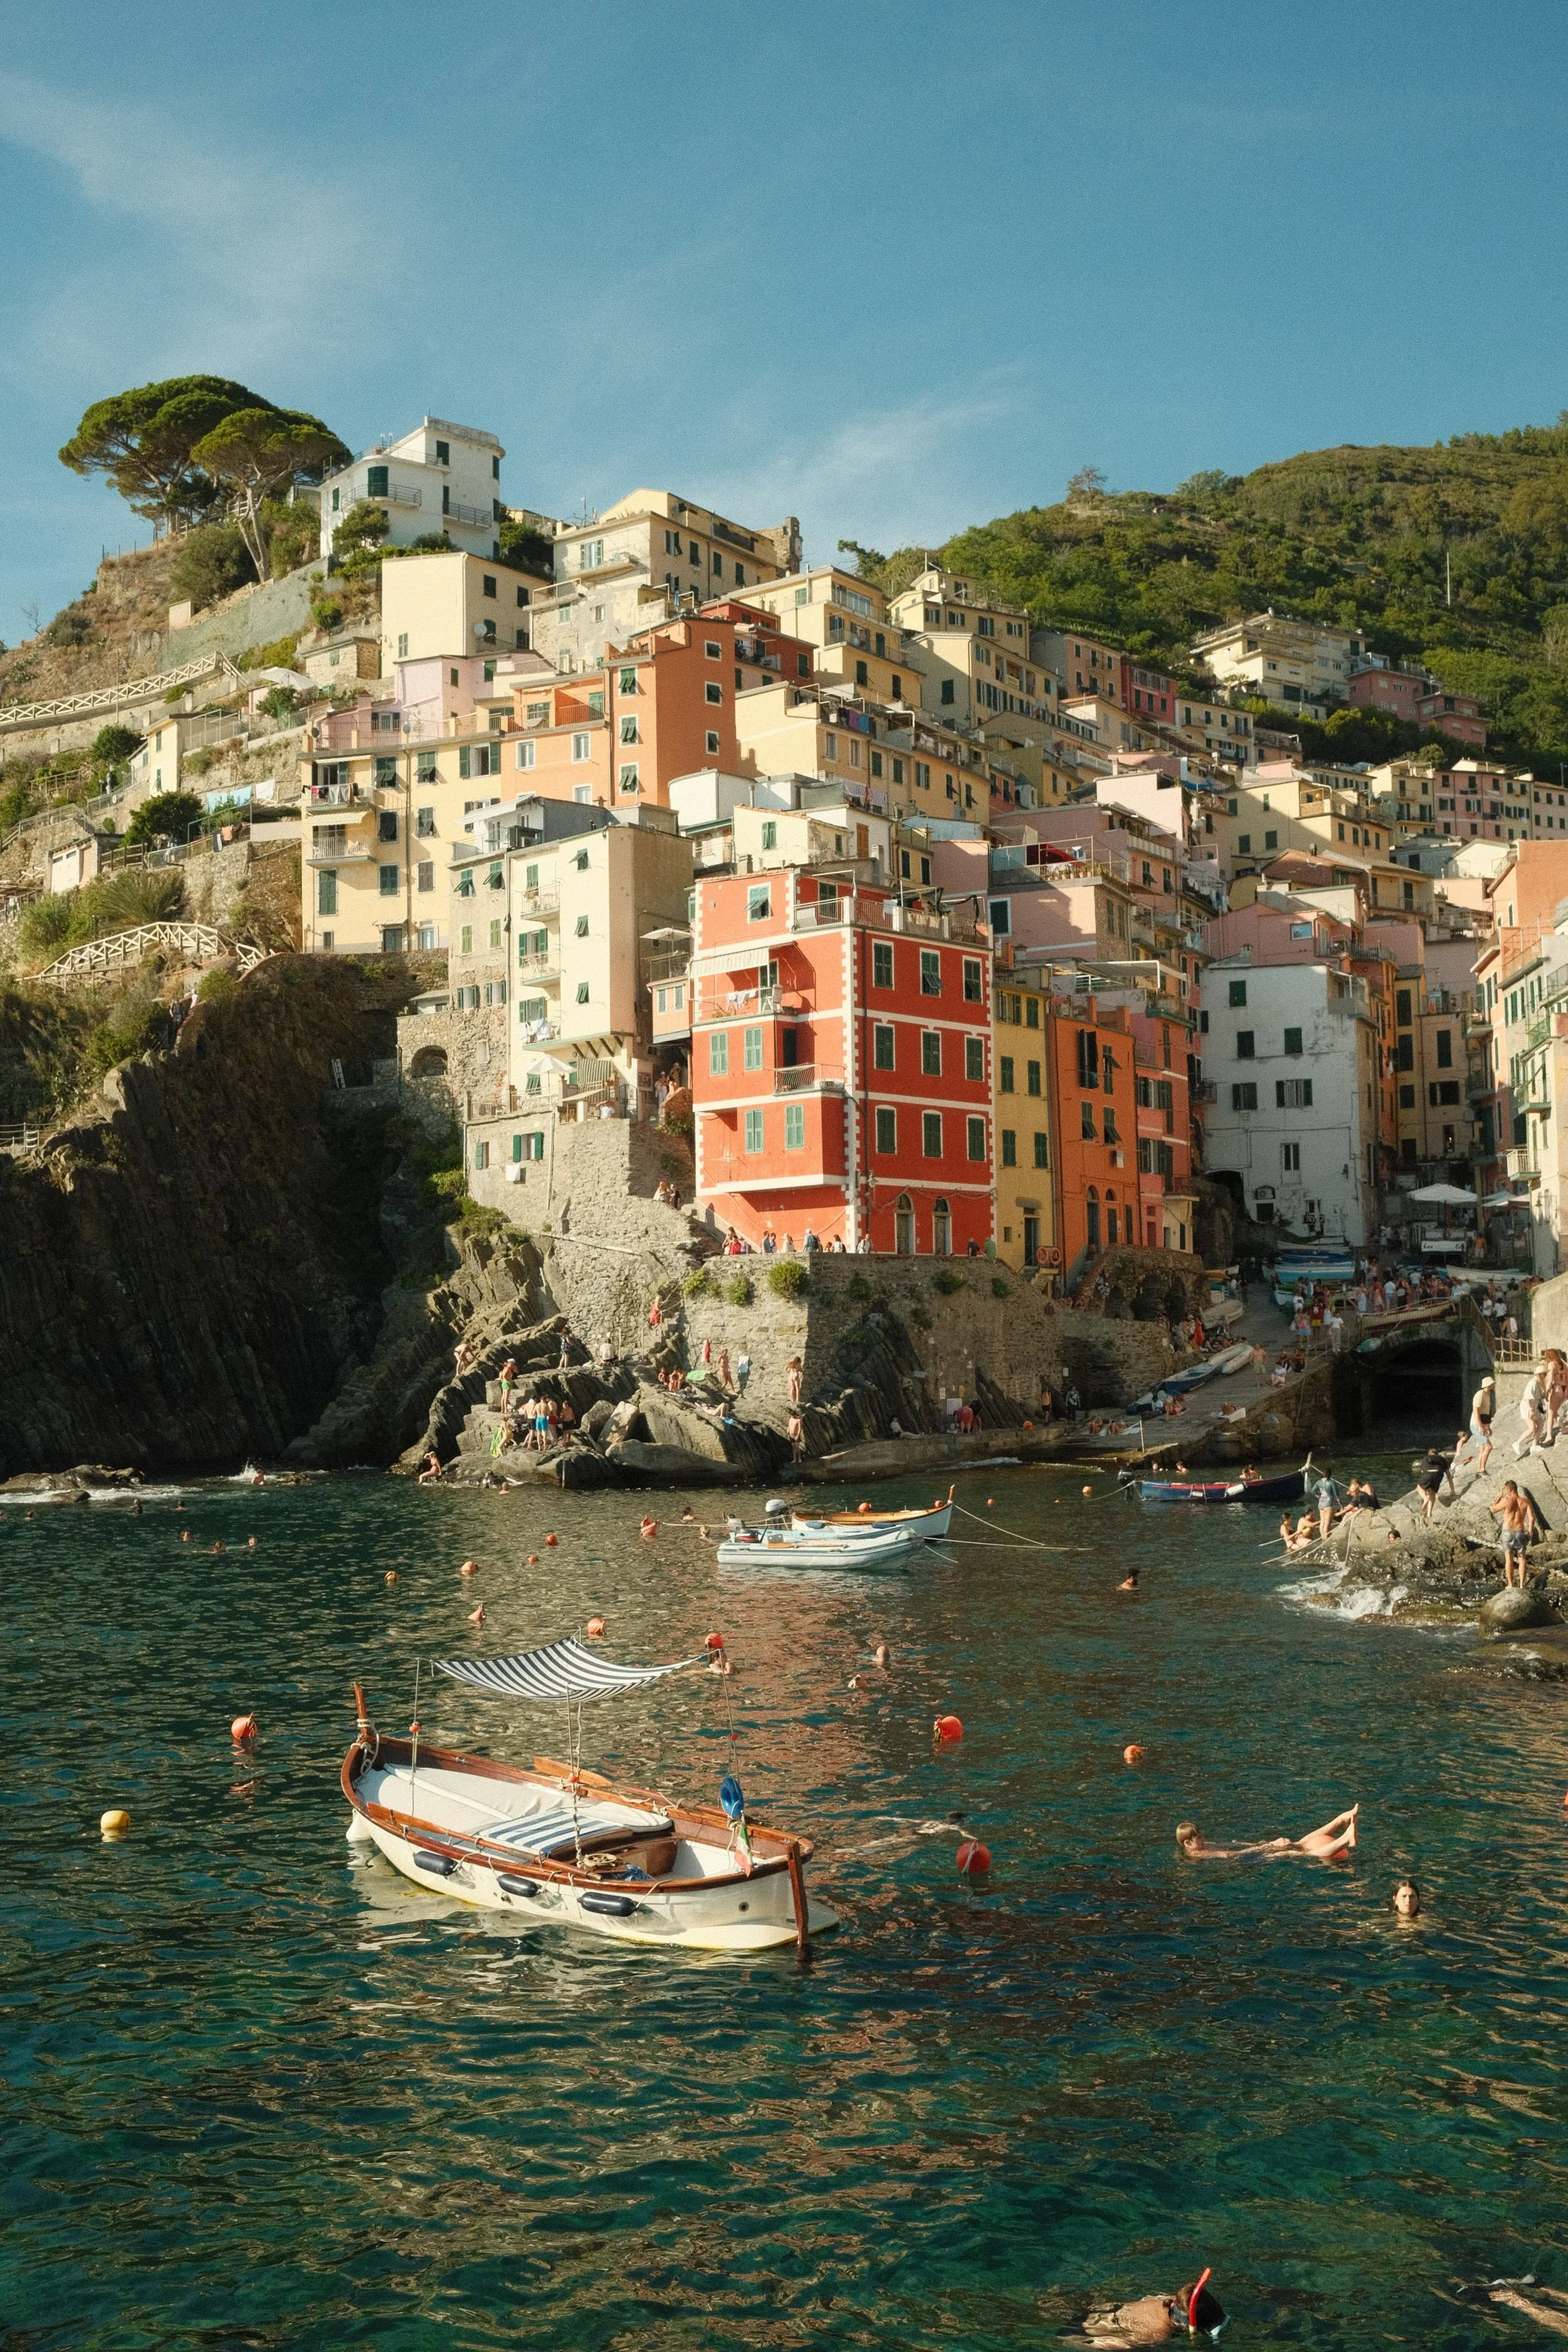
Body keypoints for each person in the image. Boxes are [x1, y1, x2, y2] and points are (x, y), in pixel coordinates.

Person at [1175, 1805, 1359, 1862]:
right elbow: (1230, 1855)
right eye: (1198, 1837)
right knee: (1295, 1852)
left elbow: (1235, 1845)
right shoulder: (1199, 1854)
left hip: (1252, 1853)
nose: (1203, 1838)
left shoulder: (1205, 1845)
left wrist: (1265, 1843)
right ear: (1188, 1843)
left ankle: (1340, 1821)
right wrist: (1267, 1847)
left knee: (1297, 1843)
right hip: (1248, 1861)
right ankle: (1344, 1840)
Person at [1490, 1479, 1541, 1586]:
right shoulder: (1525, 1501)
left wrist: (1499, 1496)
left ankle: (1511, 1584)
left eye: (1505, 1489)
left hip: (1507, 1532)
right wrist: (1530, 1532)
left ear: (1509, 1489)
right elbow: (1532, 1518)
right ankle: (1522, 1585)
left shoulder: (1506, 1501)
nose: (1505, 1492)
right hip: (1519, 1532)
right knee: (1522, 1559)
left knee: (1509, 1560)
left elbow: (1493, 1509)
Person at [1414, 1445, 1454, 1523]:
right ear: (1437, 1454)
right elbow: (1449, 1475)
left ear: (1429, 1454)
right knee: (1432, 1494)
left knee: (1420, 1487)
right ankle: (1429, 1514)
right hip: (1438, 1475)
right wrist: (1452, 1490)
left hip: (1427, 1474)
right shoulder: (1442, 1459)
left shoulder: (1425, 1458)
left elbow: (1423, 1472)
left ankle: (1425, 1499)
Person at [1516, 1365, 1548, 1458]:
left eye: (1545, 1374)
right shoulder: (1533, 1383)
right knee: (1532, 1428)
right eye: (1543, 1374)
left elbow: (1541, 1396)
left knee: (1541, 1424)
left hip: (1534, 1406)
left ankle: (1534, 1445)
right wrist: (1530, 1410)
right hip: (1527, 1406)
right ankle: (1517, 1443)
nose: (1544, 1376)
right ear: (1538, 1374)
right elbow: (1527, 1398)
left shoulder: (1540, 1383)